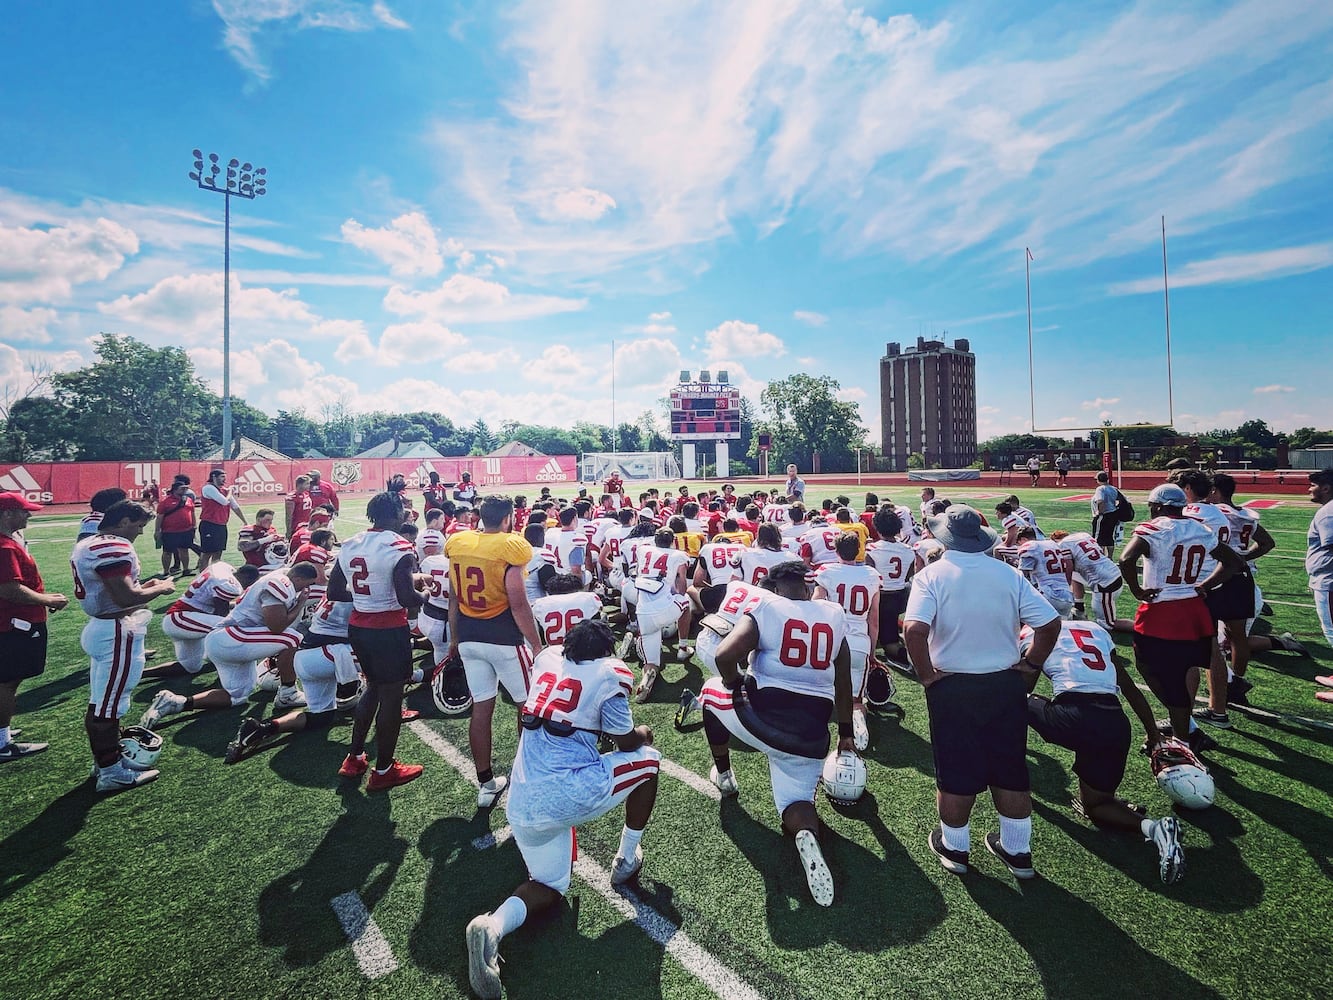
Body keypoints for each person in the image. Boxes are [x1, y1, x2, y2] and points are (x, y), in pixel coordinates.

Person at [465, 620, 656, 999]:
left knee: (549, 886)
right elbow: (626, 742)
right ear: (606, 653)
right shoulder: (610, 673)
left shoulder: (547, 658)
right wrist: (645, 732)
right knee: (648, 760)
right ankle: (626, 857)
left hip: (521, 802)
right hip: (568, 792)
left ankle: (493, 926)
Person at [904, 505, 1060, 880]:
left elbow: (913, 630)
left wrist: (926, 676)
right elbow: (1049, 623)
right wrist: (1031, 664)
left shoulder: (932, 575)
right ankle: (1017, 851)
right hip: (1003, 683)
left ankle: (956, 847)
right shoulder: (1007, 574)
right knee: (1009, 767)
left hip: (953, 685)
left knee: (956, 769)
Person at [701, 560, 854, 907]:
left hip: (761, 718)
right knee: (795, 805)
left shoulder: (767, 606)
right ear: (806, 585)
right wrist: (845, 733)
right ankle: (805, 833)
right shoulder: (832, 613)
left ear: (774, 587)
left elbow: (725, 656)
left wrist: (735, 684)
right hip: (811, 732)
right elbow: (843, 679)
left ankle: (724, 774)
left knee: (710, 694)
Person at [1022, 619, 1186, 884]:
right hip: (1114, 723)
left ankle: (1008, 773)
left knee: (1008, 695)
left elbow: (1024, 684)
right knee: (1097, 806)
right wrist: (1154, 735)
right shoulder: (1094, 629)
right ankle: (1155, 829)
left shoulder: (1030, 630)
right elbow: (1130, 689)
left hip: (1072, 717)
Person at [1117, 484, 1244, 751]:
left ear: (1159, 506)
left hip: (1161, 611)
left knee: (1148, 667)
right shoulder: (1200, 529)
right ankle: (1183, 735)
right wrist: (1204, 586)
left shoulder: (1153, 529)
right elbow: (1234, 562)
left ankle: (1182, 723)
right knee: (1185, 669)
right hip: (1194, 610)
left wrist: (1138, 590)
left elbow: (1126, 559)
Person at [71, 500, 177, 792]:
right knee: (108, 710)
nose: (140, 533)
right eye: (138, 525)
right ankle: (111, 772)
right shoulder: (112, 546)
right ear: (122, 522)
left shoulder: (90, 541)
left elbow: (122, 590)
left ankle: (107, 762)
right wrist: (162, 588)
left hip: (104, 626)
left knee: (102, 704)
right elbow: (125, 598)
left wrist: (146, 587)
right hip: (115, 630)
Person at [446, 495, 543, 807]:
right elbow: (518, 602)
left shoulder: (459, 542)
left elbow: (453, 598)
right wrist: (537, 642)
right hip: (502, 637)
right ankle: (527, 777)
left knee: (481, 708)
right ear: (507, 519)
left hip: (469, 636)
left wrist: (455, 639)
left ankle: (486, 784)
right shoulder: (510, 546)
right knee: (528, 707)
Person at [327, 491, 426, 790]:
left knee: (372, 687)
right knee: (392, 698)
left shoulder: (353, 542)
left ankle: (355, 756)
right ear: (396, 514)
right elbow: (407, 598)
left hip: (359, 625)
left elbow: (334, 591)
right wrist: (427, 595)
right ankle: (384, 770)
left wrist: (364, 596)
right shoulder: (399, 546)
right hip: (387, 628)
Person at [142, 562, 316, 729]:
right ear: (299, 579)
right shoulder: (280, 583)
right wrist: (300, 602)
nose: (306, 589)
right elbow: (277, 627)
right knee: (292, 638)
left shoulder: (279, 577)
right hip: (229, 637)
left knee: (237, 696)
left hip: (232, 641)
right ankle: (288, 693)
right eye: (307, 584)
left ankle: (176, 702)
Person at [0, 493, 69, 762]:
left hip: (15, 620)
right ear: (7, 514)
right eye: (23, 511)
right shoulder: (4, 546)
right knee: (7, 682)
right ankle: (2, 742)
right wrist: (47, 599)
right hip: (14, 623)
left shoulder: (8, 542)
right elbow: (10, 591)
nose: (29, 515)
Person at [814, 533, 881, 751]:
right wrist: (871, 652)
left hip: (832, 641)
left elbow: (815, 605)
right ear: (859, 549)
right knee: (855, 699)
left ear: (836, 550)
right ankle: (857, 719)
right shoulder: (871, 575)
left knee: (822, 691)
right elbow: (873, 620)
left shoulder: (827, 572)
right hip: (859, 643)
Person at [144, 561, 250, 680]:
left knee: (191, 667)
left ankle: (141, 674)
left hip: (182, 619)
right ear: (245, 578)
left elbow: (212, 604)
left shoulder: (222, 568)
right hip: (180, 619)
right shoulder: (228, 584)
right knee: (229, 630)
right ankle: (229, 676)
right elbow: (221, 615)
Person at [627, 527, 691, 702]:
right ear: (672, 541)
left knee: (652, 663)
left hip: (643, 612)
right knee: (686, 603)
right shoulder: (678, 555)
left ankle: (646, 679)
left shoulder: (643, 550)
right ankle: (683, 648)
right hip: (664, 609)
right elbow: (682, 586)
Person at [866, 508, 913, 664]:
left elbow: (870, 577)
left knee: (889, 644)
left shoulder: (872, 549)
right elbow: (907, 576)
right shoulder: (908, 550)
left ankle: (912, 657)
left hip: (881, 598)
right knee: (889, 629)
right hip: (900, 596)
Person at [1307, 470, 1333, 704]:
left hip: (1330, 581)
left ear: (1326, 487)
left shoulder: (1328, 512)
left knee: (1332, 632)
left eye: (1313, 485)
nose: (1309, 489)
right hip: (1324, 579)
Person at [198, 469, 246, 568]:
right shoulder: (208, 488)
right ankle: (203, 575)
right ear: (214, 477)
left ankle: (214, 573)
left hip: (221, 525)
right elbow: (224, 501)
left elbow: (235, 507)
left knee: (218, 552)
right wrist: (230, 492)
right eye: (222, 476)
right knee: (207, 552)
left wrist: (245, 522)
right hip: (209, 524)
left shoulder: (225, 490)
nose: (225, 479)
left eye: (225, 476)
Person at [155, 478, 198, 578]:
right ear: (175, 490)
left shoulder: (188, 500)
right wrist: (157, 530)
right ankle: (166, 572)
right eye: (182, 489)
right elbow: (160, 516)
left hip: (186, 530)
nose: (184, 491)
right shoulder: (165, 502)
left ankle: (186, 570)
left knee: (184, 550)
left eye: (185, 489)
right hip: (170, 532)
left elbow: (192, 513)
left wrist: (194, 526)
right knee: (167, 552)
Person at [1091, 472, 1119, 556]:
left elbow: (1100, 501)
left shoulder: (1100, 489)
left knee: (1098, 537)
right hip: (1112, 514)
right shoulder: (1114, 488)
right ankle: (1109, 557)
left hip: (1104, 515)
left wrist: (1100, 513)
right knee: (1109, 537)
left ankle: (1100, 556)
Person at [285, 475, 314, 540]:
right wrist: (289, 531)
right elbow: (289, 516)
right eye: (307, 483)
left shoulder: (306, 494)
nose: (309, 485)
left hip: (307, 525)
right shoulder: (292, 497)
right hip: (297, 527)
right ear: (300, 484)